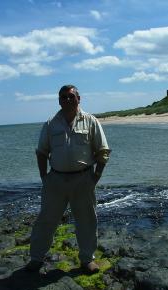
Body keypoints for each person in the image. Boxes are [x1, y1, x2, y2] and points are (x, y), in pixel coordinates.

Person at [26, 84, 111, 274]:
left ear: (79, 99)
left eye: (71, 96)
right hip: (55, 180)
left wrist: (96, 176)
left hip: (83, 179)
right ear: (59, 100)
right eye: (63, 97)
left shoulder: (90, 121)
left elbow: (103, 151)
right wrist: (44, 177)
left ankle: (87, 259)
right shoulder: (51, 123)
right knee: (46, 220)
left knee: (87, 221)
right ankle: (36, 258)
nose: (67, 100)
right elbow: (41, 152)